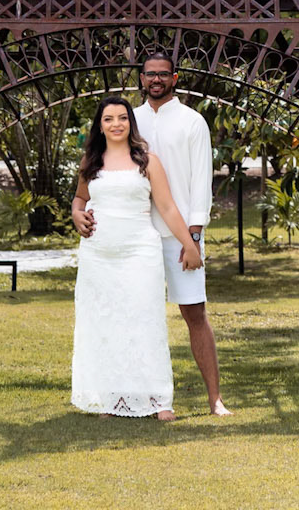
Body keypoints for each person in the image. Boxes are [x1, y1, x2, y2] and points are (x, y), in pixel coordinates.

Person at [75, 51, 230, 416]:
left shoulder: (193, 123)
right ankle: (124, 397)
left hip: (179, 236)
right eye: (150, 74)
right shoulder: (130, 120)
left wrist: (193, 238)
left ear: (174, 78)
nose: (156, 79)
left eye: (163, 74)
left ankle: (215, 399)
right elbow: (85, 191)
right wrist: (77, 215)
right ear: (141, 79)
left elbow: (199, 184)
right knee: (129, 317)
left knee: (195, 313)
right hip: (133, 236)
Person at [69, 94, 202, 420]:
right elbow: (79, 198)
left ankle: (159, 401)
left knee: (145, 320)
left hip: (139, 252)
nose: (116, 124)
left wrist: (190, 245)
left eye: (122, 118)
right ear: (99, 126)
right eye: (108, 119)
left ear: (131, 122)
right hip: (99, 255)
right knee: (106, 324)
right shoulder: (91, 162)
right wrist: (76, 215)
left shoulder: (148, 161)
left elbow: (168, 207)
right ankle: (112, 400)